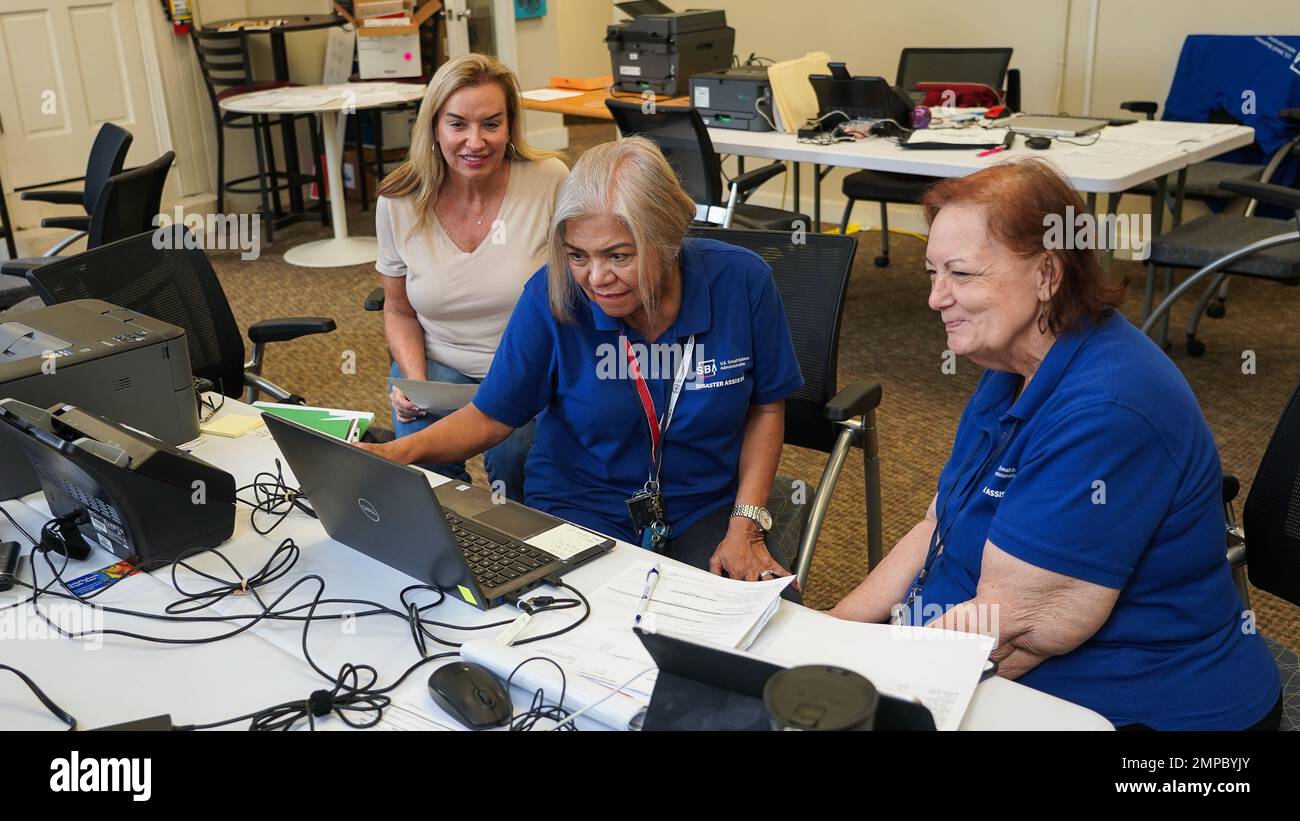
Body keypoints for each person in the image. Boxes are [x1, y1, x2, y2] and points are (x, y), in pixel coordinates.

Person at [830, 159, 1281, 731]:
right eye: (932, 273)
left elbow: (1007, 633)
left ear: (1047, 274)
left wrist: (860, 679)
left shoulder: (1105, 409)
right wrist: (830, 634)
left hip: (1149, 717)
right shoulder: (1013, 366)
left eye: (962, 275)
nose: (935, 298)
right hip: (972, 658)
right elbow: (935, 528)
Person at [362, 136, 804, 589]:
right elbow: (491, 417)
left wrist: (744, 524)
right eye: (578, 255)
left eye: (619, 256)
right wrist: (394, 453)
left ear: (668, 237)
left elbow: (767, 407)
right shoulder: (550, 294)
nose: (596, 279)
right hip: (581, 503)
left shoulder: (742, 281)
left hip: (705, 505)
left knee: (760, 630)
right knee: (564, 632)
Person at [374, 53, 568, 501]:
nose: (475, 142)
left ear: (510, 125)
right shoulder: (399, 200)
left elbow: (582, 285)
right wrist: (414, 379)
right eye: (457, 124)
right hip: (441, 365)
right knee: (422, 466)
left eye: (491, 124)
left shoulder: (548, 180)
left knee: (516, 461)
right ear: (434, 127)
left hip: (530, 366)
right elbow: (399, 309)